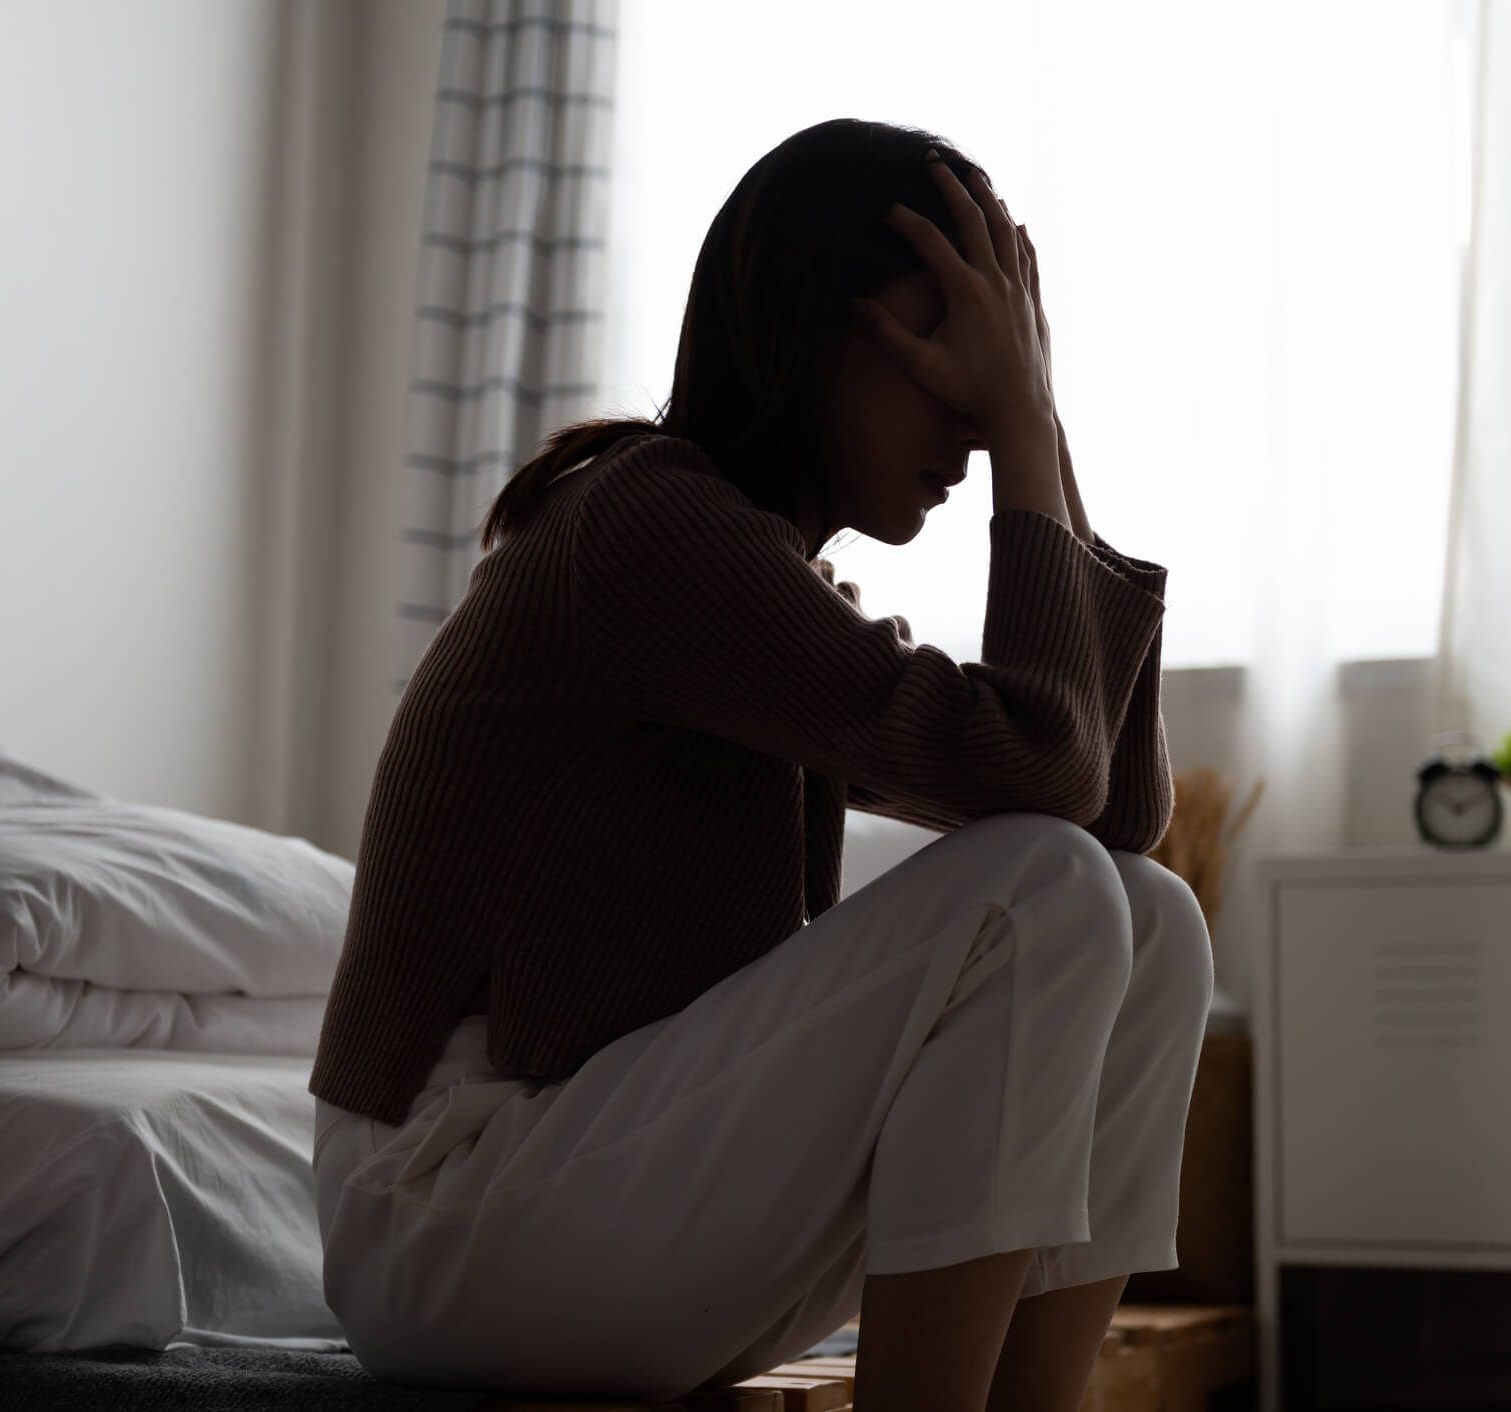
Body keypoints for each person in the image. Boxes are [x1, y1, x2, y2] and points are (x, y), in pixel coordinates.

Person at [308, 117, 1214, 1412]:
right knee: (1043, 888)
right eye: (935, 350)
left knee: (1150, 917)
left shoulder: (769, 578)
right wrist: (1023, 423)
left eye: (986, 367)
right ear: (810, 334)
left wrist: (1039, 416)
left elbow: (1113, 808)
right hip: (450, 1197)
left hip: (574, 1184)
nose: (965, 412)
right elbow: (1044, 784)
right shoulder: (649, 526)